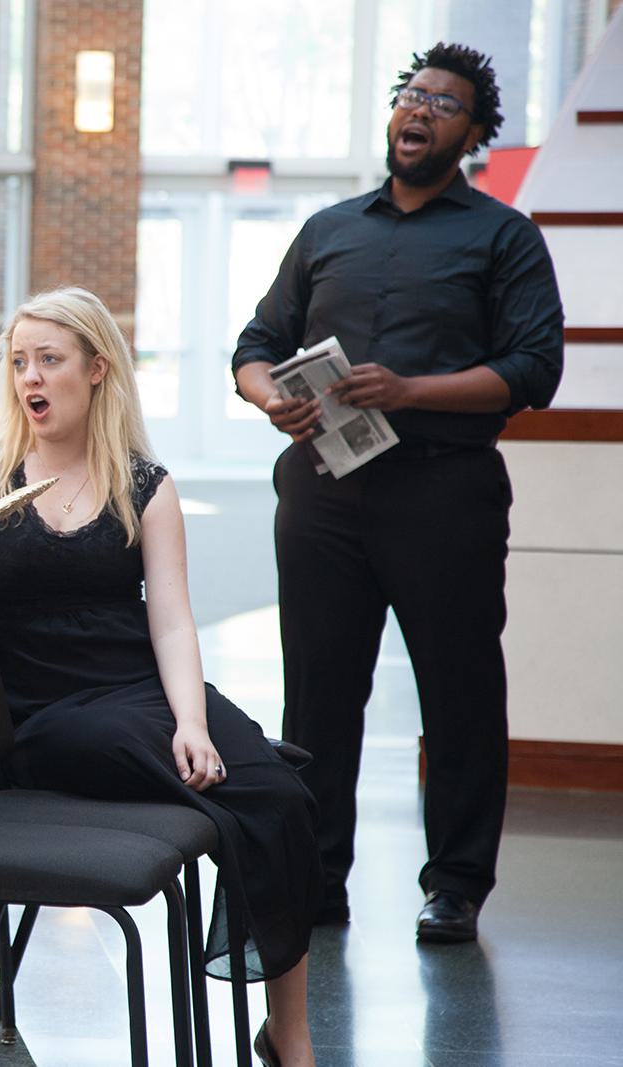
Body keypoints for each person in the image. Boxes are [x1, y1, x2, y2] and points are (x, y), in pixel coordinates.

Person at [0, 287, 321, 1067]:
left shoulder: (144, 483)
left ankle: (287, 1032)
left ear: (97, 370)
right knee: (201, 772)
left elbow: (169, 620)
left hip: (137, 687)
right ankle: (214, 767)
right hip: (39, 713)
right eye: (20, 361)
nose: (31, 376)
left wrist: (192, 720)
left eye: (50, 360)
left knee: (280, 795)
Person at [231, 42, 563, 944]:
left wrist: (411, 391)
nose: (420, 111)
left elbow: (534, 370)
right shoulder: (330, 228)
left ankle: (455, 885)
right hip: (323, 491)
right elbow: (256, 344)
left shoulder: (503, 237)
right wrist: (273, 401)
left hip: (443, 492)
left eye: (444, 104)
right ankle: (315, 877)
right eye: (412, 95)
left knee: (457, 691)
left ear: (475, 134)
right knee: (319, 696)